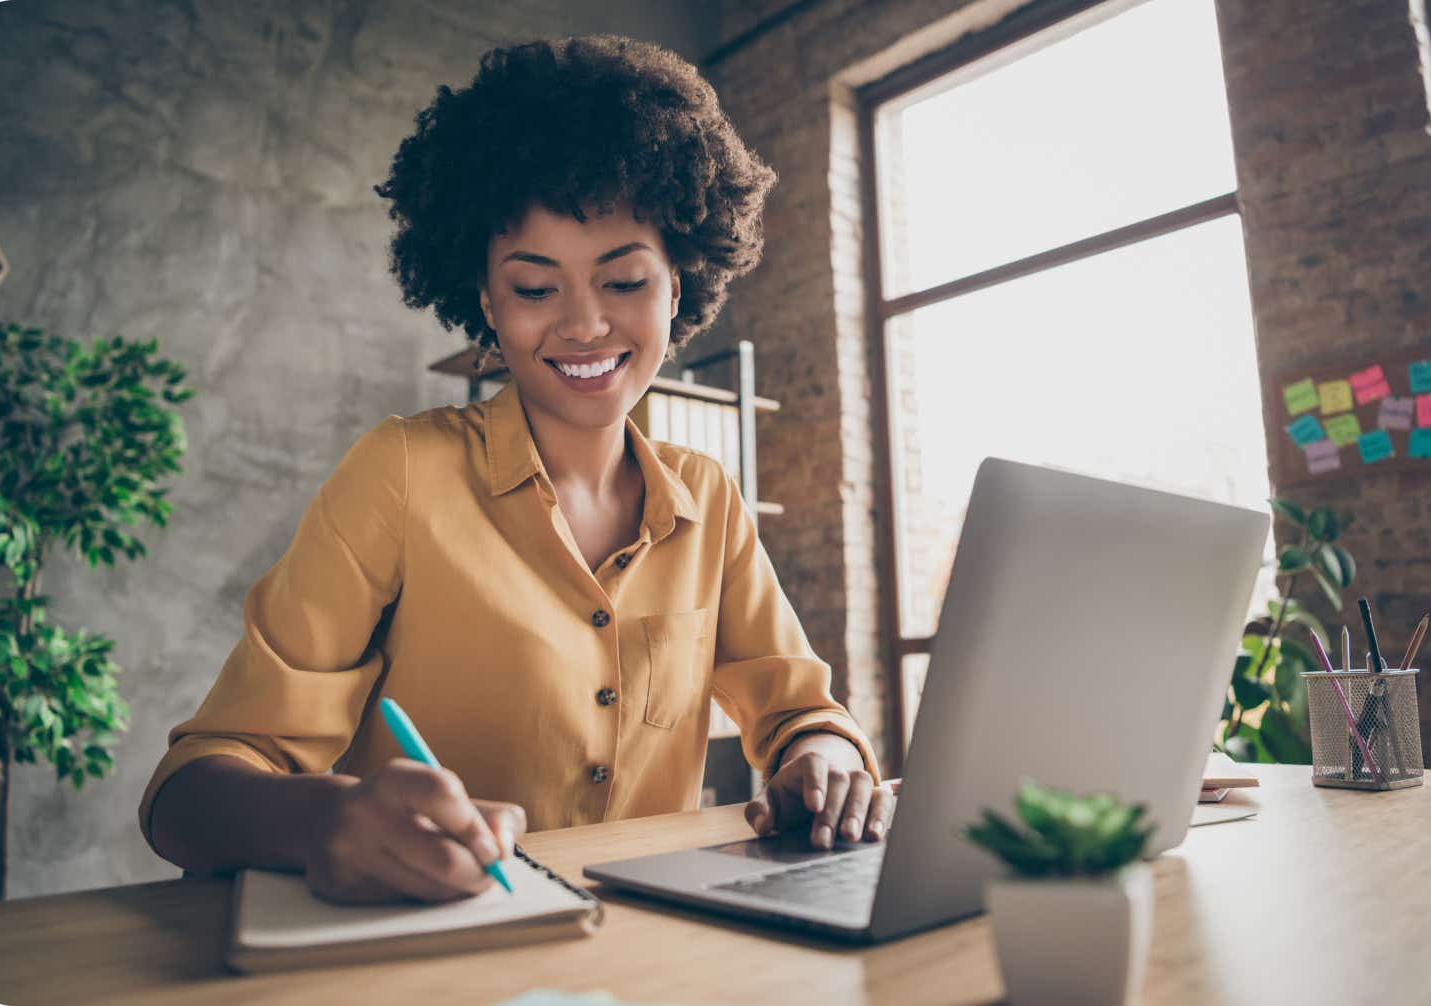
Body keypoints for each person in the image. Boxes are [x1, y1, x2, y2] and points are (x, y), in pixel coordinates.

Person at [139, 34, 893, 906]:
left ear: (677, 290)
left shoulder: (709, 499)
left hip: (659, 959)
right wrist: (324, 822)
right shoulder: (403, 474)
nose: (583, 326)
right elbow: (190, 793)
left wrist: (824, 759)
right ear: (487, 305)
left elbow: (800, 712)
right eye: (536, 289)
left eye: (624, 282)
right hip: (429, 958)